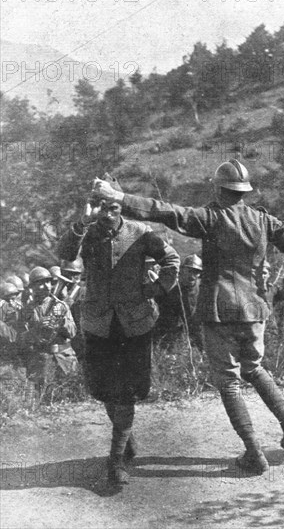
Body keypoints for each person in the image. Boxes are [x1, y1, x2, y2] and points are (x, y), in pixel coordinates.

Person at [90, 159, 284, 476]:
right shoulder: (264, 221)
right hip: (255, 310)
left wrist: (119, 198)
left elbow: (166, 211)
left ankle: (254, 453)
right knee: (254, 368)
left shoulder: (210, 218)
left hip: (218, 311)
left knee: (229, 383)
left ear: (218, 188)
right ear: (244, 191)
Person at [57, 175, 180, 488]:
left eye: (112, 207)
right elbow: (65, 255)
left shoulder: (140, 232)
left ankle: (115, 463)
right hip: (98, 324)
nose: (107, 214)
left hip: (134, 324)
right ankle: (126, 441)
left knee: (126, 392)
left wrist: (155, 289)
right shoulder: (88, 235)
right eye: (101, 208)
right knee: (103, 390)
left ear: (120, 207)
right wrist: (80, 223)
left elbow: (172, 259)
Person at [19, 267, 78, 394]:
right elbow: (21, 338)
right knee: (45, 397)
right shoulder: (27, 310)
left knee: (70, 396)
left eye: (48, 282)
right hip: (41, 361)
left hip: (64, 359)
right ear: (33, 287)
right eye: (41, 283)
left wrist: (61, 323)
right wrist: (38, 328)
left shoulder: (60, 306)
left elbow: (72, 332)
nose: (46, 286)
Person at [155, 254, 205, 352]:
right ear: (182, 270)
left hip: (199, 330)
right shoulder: (173, 291)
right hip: (176, 334)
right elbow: (167, 321)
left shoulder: (202, 288)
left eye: (196, 272)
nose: (192, 275)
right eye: (189, 271)